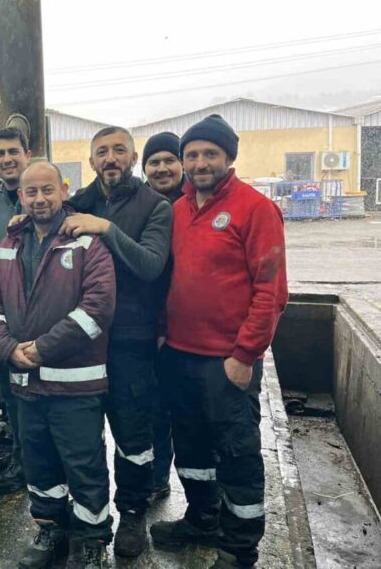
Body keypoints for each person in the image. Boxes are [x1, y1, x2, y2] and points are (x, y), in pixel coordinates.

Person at [149, 114, 288, 569]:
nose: (200, 162)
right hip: (180, 354)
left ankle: (239, 549)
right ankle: (202, 519)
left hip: (226, 361)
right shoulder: (177, 211)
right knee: (191, 448)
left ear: (229, 157)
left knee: (237, 453)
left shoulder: (255, 208)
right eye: (193, 154)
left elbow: (271, 291)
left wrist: (245, 354)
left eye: (210, 153)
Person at [0, 161, 116, 569]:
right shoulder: (11, 242)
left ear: (63, 190)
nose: (39, 199)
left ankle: (92, 539)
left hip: (75, 386)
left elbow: (98, 308)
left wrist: (42, 349)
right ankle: (50, 528)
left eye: (47, 190)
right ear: (20, 196)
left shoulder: (87, 242)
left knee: (84, 463)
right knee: (38, 461)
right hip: (25, 382)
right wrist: (6, 347)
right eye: (31, 192)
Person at [62, 127, 173, 557]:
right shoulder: (78, 204)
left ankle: (132, 514)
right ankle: (91, 515)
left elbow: (150, 265)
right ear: (91, 161)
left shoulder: (155, 206)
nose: (110, 158)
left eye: (119, 150)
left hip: (131, 340)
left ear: (132, 157)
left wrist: (105, 228)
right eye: (102, 151)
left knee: (133, 435)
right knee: (84, 435)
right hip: (84, 341)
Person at [0, 127, 32, 495]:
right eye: (0, 153)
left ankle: (38, 461)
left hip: (43, 317)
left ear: (27, 154)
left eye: (13, 151)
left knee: (40, 394)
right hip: (4, 318)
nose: (7, 159)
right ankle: (20, 455)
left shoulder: (45, 195)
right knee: (11, 393)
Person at [141, 131, 185, 502]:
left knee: (191, 413)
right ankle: (157, 477)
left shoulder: (194, 205)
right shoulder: (141, 205)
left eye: (169, 160)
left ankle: (207, 495)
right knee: (155, 409)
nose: (162, 168)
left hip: (191, 328)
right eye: (154, 161)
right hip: (151, 326)